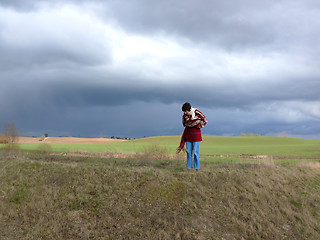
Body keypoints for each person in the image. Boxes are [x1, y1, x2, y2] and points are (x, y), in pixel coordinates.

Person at [177, 102, 207, 170]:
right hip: (188, 135)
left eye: (185, 111)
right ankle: (189, 168)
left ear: (189, 110)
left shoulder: (197, 112)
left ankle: (197, 168)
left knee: (196, 152)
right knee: (189, 152)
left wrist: (197, 125)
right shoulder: (184, 115)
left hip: (196, 136)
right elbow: (184, 123)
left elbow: (205, 120)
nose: (184, 113)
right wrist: (190, 123)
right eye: (184, 111)